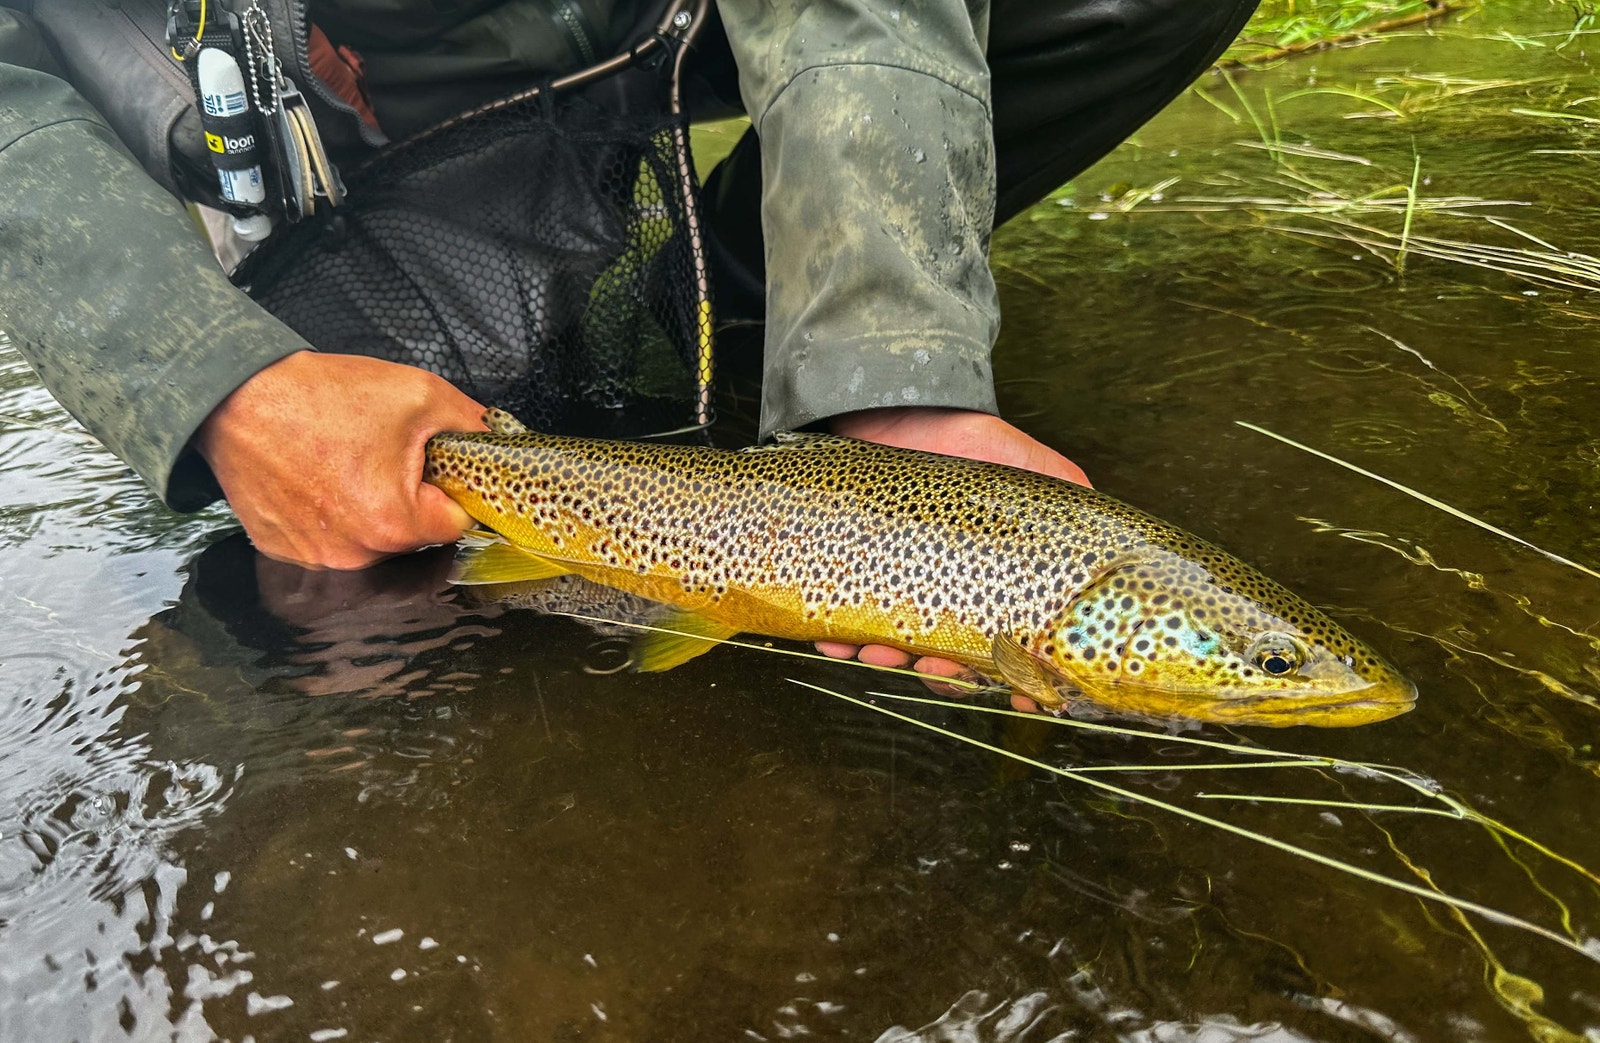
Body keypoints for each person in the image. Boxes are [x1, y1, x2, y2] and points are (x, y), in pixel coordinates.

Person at [0, 0, 1257, 680]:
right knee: (349, 592)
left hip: (644, 23)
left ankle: (741, 319)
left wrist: (889, 357)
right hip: (302, 97)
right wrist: (216, 380)